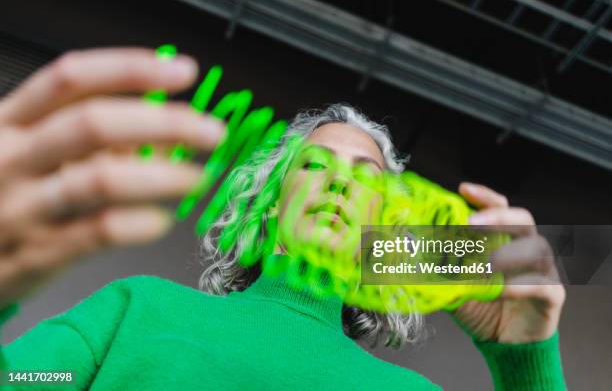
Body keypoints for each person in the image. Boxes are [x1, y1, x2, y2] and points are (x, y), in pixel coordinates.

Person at [0, 48, 566, 390]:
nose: (342, 182)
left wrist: (525, 362)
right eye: (316, 165)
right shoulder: (137, 310)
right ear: (271, 201)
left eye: (367, 177)